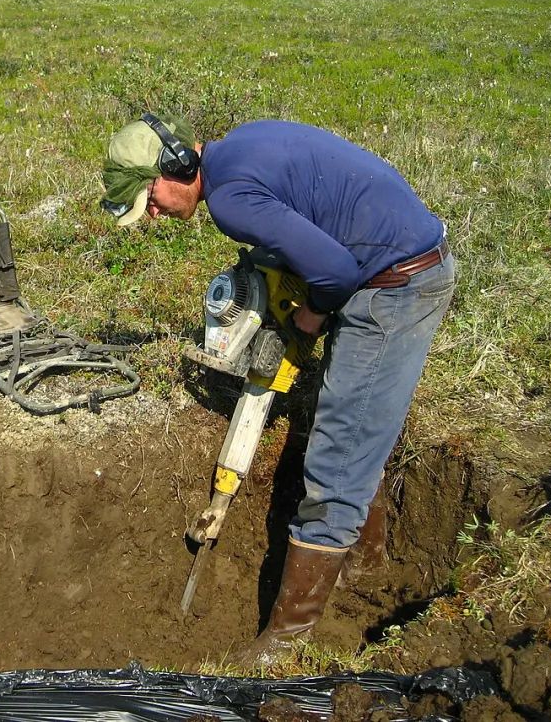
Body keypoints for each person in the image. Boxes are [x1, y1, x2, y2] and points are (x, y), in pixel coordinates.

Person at [99, 114, 455, 665]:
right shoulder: (237, 145)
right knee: (357, 416)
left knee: (339, 449)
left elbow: (334, 273)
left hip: (394, 283)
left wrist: (311, 316)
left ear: (173, 167)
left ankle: (287, 643)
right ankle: (363, 567)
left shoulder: (230, 201)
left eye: (149, 199)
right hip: (393, 257)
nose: (155, 215)